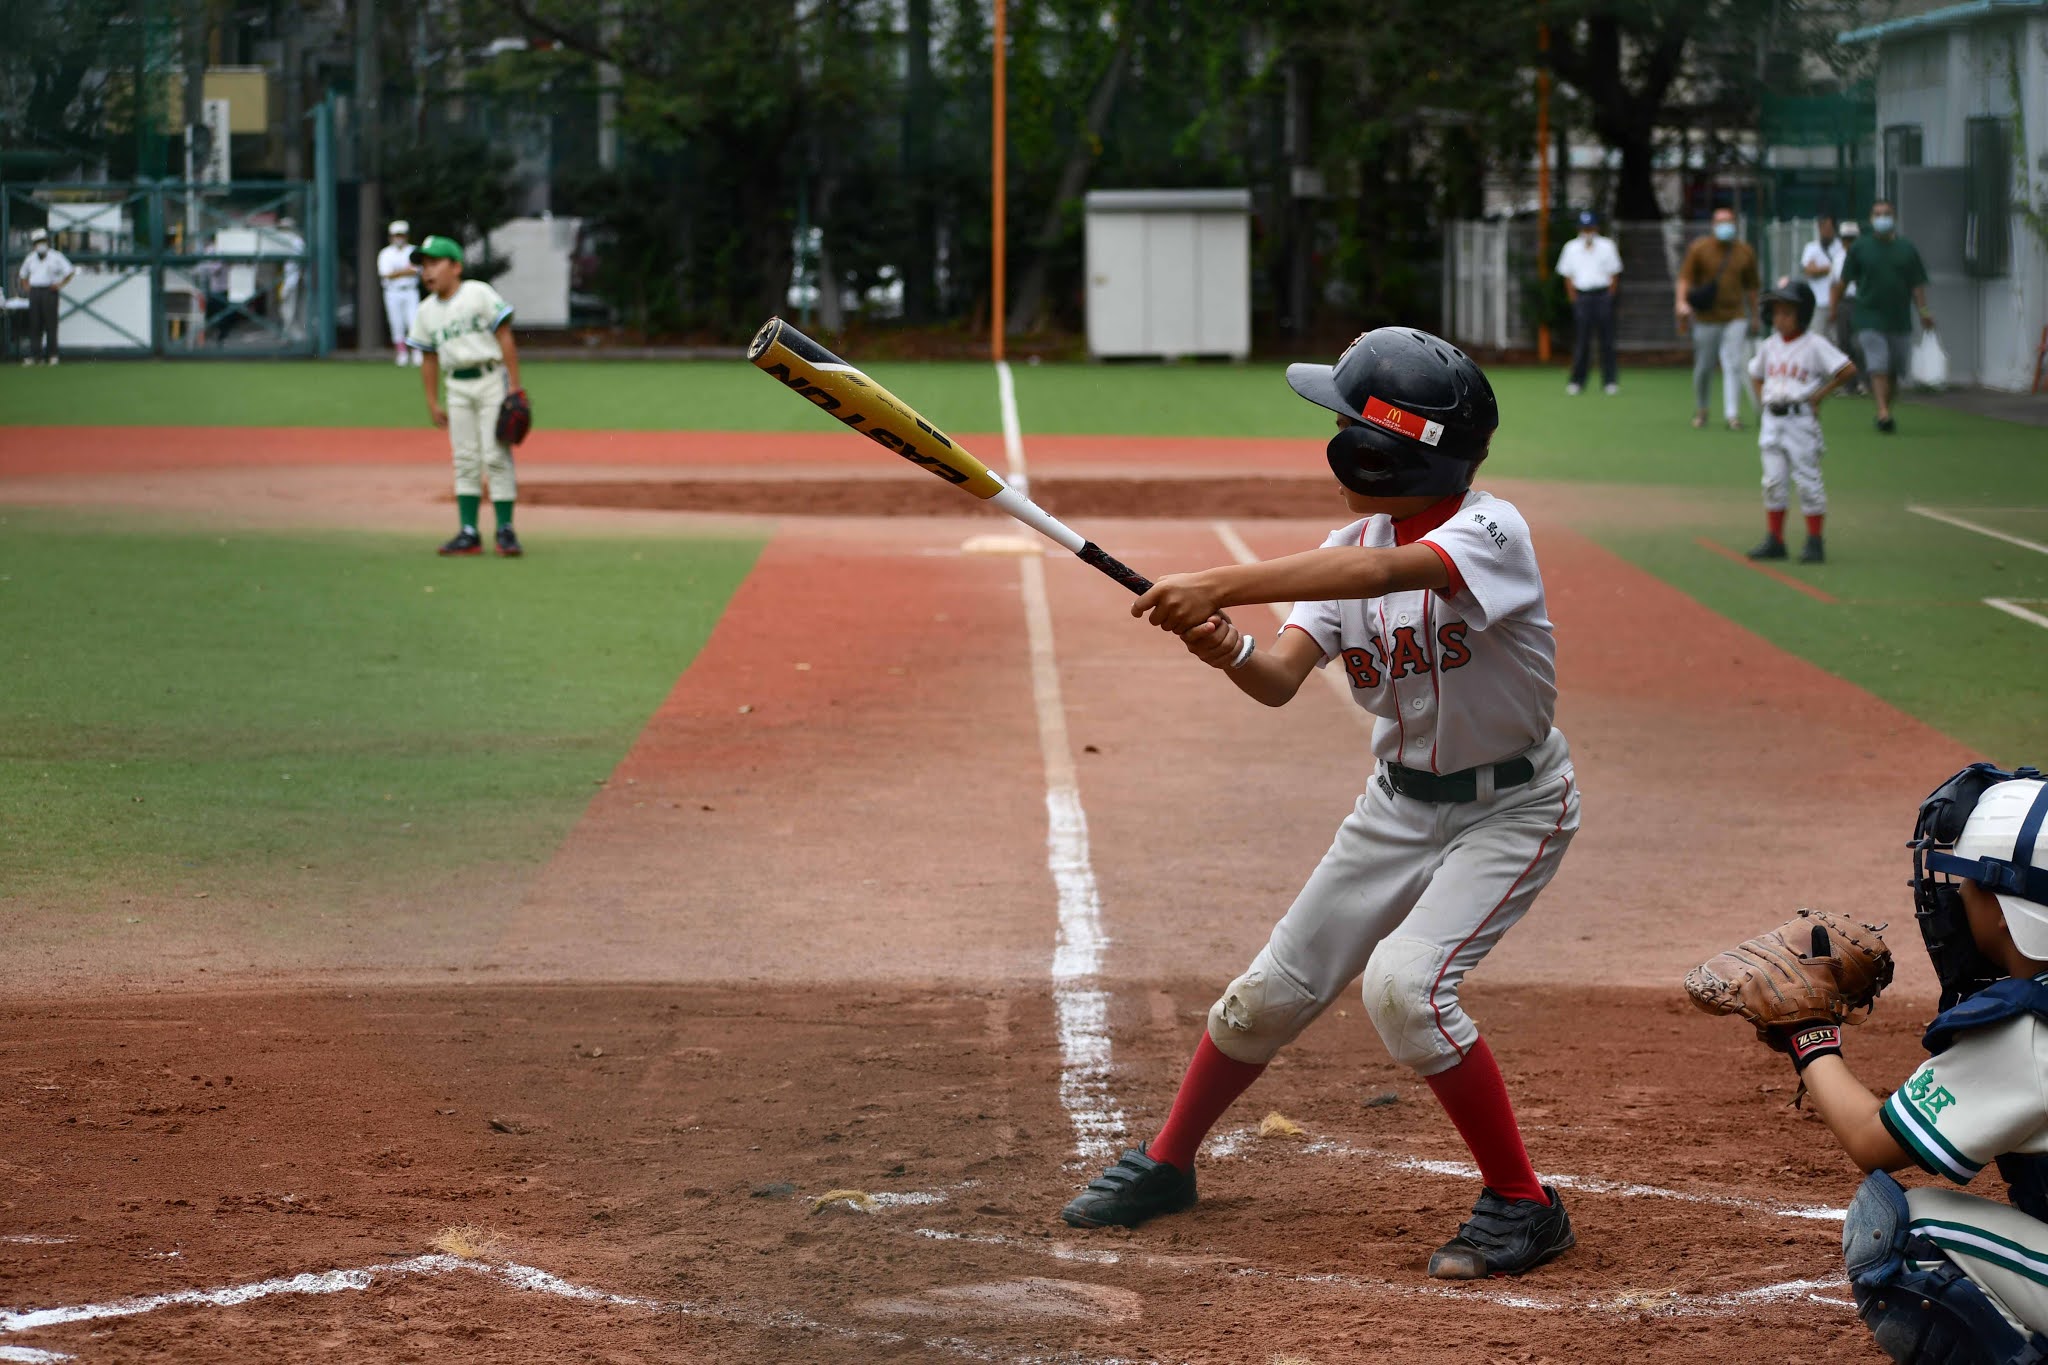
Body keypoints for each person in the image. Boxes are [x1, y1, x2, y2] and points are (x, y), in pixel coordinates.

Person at [1059, 327, 1582, 1282]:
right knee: (1268, 990)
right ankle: (1169, 1161)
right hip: (1397, 804)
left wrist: (1220, 579)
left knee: (1407, 987)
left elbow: (1386, 577)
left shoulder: (1490, 532)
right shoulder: (1351, 547)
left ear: (1382, 450)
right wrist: (1221, 642)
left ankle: (1523, 1202)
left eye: (1347, 423)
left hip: (1512, 808)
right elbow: (1278, 676)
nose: (1333, 438)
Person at [1763, 763, 2048, 1362]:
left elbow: (1875, 1140)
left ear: (2004, 908)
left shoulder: (2026, 1030)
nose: (1951, 897)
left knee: (1901, 1232)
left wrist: (1807, 1033)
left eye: (1966, 885)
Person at [406, 235, 526, 557]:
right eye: (423, 265)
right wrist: (432, 402)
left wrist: (514, 387)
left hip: (490, 380)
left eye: (435, 263)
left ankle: (505, 529)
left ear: (456, 266)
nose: (427, 271)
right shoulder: (425, 311)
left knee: (496, 455)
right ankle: (469, 532)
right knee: (465, 459)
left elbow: (504, 336)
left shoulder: (478, 293)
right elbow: (428, 359)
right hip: (456, 386)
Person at [1745, 279, 1856, 565]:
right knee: (1772, 482)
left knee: (1808, 481)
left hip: (1800, 421)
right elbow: (1755, 374)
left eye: (1787, 312)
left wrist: (1818, 396)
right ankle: (1775, 540)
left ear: (1802, 315)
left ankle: (1815, 541)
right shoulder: (1770, 346)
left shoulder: (1815, 344)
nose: (1779, 318)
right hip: (1773, 419)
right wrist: (1764, 400)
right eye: (1777, 312)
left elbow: (1847, 370)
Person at [1835, 200, 1933, 434]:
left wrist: (1924, 311)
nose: (1882, 218)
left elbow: (1917, 284)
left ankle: (1885, 408)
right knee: (1878, 363)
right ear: (1871, 219)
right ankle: (1882, 411)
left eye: (1886, 214)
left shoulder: (1907, 249)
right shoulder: (1860, 247)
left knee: (1895, 370)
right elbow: (1844, 279)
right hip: (1868, 316)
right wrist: (1835, 307)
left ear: (1894, 217)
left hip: (1899, 319)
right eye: (1878, 214)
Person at [1675, 207, 1761, 431]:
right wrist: (1681, 303)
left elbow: (1752, 286)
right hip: (1706, 317)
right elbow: (1685, 279)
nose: (1726, 226)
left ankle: (1732, 415)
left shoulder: (1744, 251)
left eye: (1729, 221)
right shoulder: (1700, 249)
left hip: (1735, 315)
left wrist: (1755, 315)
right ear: (1713, 225)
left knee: (1732, 364)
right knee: (1704, 366)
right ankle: (1702, 408)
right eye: (1721, 222)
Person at [1556, 209, 1623, 396]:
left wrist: (1609, 296)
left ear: (1596, 227)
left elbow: (1614, 273)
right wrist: (1574, 299)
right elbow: (1567, 276)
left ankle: (1610, 381)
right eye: (1584, 228)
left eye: (1590, 227)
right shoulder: (1571, 248)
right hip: (1582, 297)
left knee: (1607, 340)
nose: (1587, 231)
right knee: (1582, 341)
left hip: (1602, 296)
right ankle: (1577, 381)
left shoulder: (1607, 246)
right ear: (1580, 229)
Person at [15, 228, 76, 366]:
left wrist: (60, 284)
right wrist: (26, 287)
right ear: (34, 244)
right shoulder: (30, 258)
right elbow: (23, 274)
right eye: (37, 242)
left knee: (51, 324)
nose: (40, 244)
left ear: (47, 242)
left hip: (49, 290)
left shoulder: (56, 256)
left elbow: (70, 271)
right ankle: (35, 355)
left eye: (42, 241)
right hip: (35, 291)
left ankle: (52, 355)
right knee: (35, 324)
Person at [378, 220, 423, 367]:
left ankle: (417, 352)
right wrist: (406, 271)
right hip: (392, 292)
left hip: (410, 291)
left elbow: (417, 270)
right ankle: (402, 353)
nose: (399, 238)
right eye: (396, 235)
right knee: (396, 323)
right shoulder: (385, 253)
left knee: (413, 321)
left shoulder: (413, 250)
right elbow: (386, 274)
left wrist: (397, 273)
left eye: (401, 235)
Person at [1832, 221, 1867, 394]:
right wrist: (1833, 308)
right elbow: (1834, 285)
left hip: (1861, 302)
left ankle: (1862, 381)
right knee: (1844, 343)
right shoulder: (1838, 258)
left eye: (1852, 239)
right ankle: (1848, 384)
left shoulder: (1864, 257)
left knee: (1859, 343)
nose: (1849, 242)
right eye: (1846, 239)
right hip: (1844, 302)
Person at [1799, 214, 1842, 334]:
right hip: (1818, 302)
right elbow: (1809, 271)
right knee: (1818, 336)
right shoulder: (1811, 248)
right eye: (1822, 227)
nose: (1825, 231)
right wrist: (1832, 268)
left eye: (1828, 228)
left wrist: (1820, 269)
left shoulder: (1840, 247)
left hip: (1838, 303)